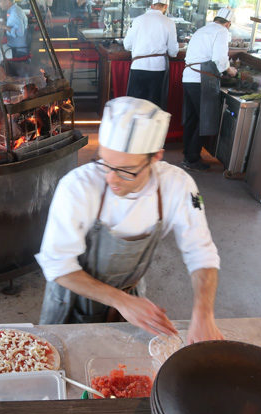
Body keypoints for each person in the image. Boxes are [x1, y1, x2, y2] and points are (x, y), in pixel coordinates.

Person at [36, 96, 224, 344]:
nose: (111, 179)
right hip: (71, 298)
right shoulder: (76, 187)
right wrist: (121, 301)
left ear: (156, 157)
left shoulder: (177, 186)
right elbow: (57, 265)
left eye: (125, 171)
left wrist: (204, 314)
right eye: (105, 163)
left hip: (131, 294)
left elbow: (201, 252)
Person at [181, 7, 237, 172]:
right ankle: (192, 159)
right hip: (202, 80)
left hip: (188, 77)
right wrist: (230, 70)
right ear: (228, 24)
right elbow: (219, 59)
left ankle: (188, 154)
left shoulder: (202, 30)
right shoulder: (222, 32)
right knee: (204, 120)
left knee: (192, 119)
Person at [123, 1, 178, 109]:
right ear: (166, 7)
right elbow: (173, 52)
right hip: (157, 68)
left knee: (135, 106)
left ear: (152, 6)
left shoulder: (137, 20)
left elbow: (127, 45)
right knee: (154, 107)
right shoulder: (169, 22)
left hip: (138, 66)